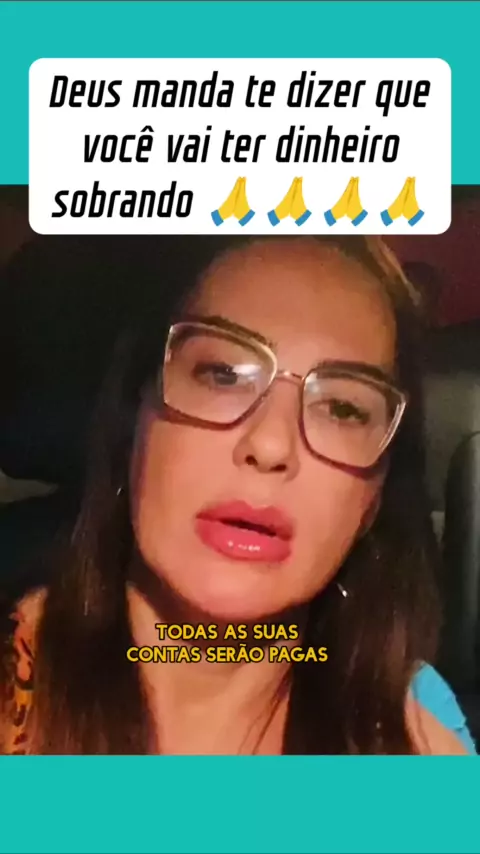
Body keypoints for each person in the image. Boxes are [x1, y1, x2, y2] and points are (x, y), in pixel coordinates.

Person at [0, 235, 475, 755]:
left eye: (342, 408)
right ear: (133, 423)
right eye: (222, 375)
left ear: (373, 501)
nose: (270, 445)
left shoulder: (419, 740)